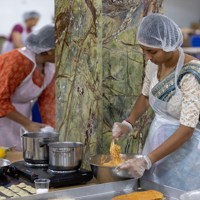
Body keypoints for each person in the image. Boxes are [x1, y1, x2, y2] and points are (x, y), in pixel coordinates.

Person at [112, 13, 200, 191]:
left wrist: (147, 160)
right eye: (144, 50)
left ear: (169, 45)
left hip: (184, 151)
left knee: (175, 192)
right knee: (152, 191)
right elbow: (145, 96)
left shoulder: (191, 74)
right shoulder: (153, 64)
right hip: (156, 142)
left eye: (152, 51)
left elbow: (187, 129)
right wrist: (128, 123)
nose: (147, 57)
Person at [0, 24, 55, 150]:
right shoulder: (19, 60)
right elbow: (1, 99)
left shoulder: (50, 67)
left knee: (18, 155)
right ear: (49, 50)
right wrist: (28, 123)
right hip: (3, 117)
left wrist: (51, 132)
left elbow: (47, 102)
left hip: (21, 116)